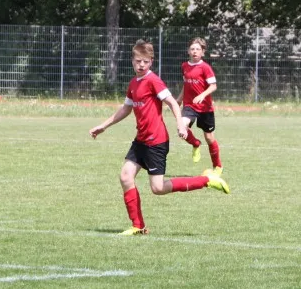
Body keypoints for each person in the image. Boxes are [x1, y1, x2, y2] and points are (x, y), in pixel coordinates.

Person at [89, 40, 230, 236]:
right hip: (140, 140)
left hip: (156, 142)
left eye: (145, 62)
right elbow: (126, 108)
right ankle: (138, 226)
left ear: (151, 62)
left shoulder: (153, 80)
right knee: (125, 176)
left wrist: (180, 124)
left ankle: (206, 180)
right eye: (138, 61)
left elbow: (172, 102)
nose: (141, 65)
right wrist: (103, 126)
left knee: (158, 188)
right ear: (132, 61)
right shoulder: (133, 83)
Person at [175, 37, 223, 175]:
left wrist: (202, 95)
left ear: (203, 52)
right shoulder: (184, 66)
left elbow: (213, 86)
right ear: (188, 51)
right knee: (181, 128)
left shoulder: (205, 67)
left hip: (205, 108)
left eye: (198, 49)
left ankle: (217, 167)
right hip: (189, 106)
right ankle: (195, 144)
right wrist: (179, 99)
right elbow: (186, 85)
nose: (195, 51)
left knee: (209, 138)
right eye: (192, 49)